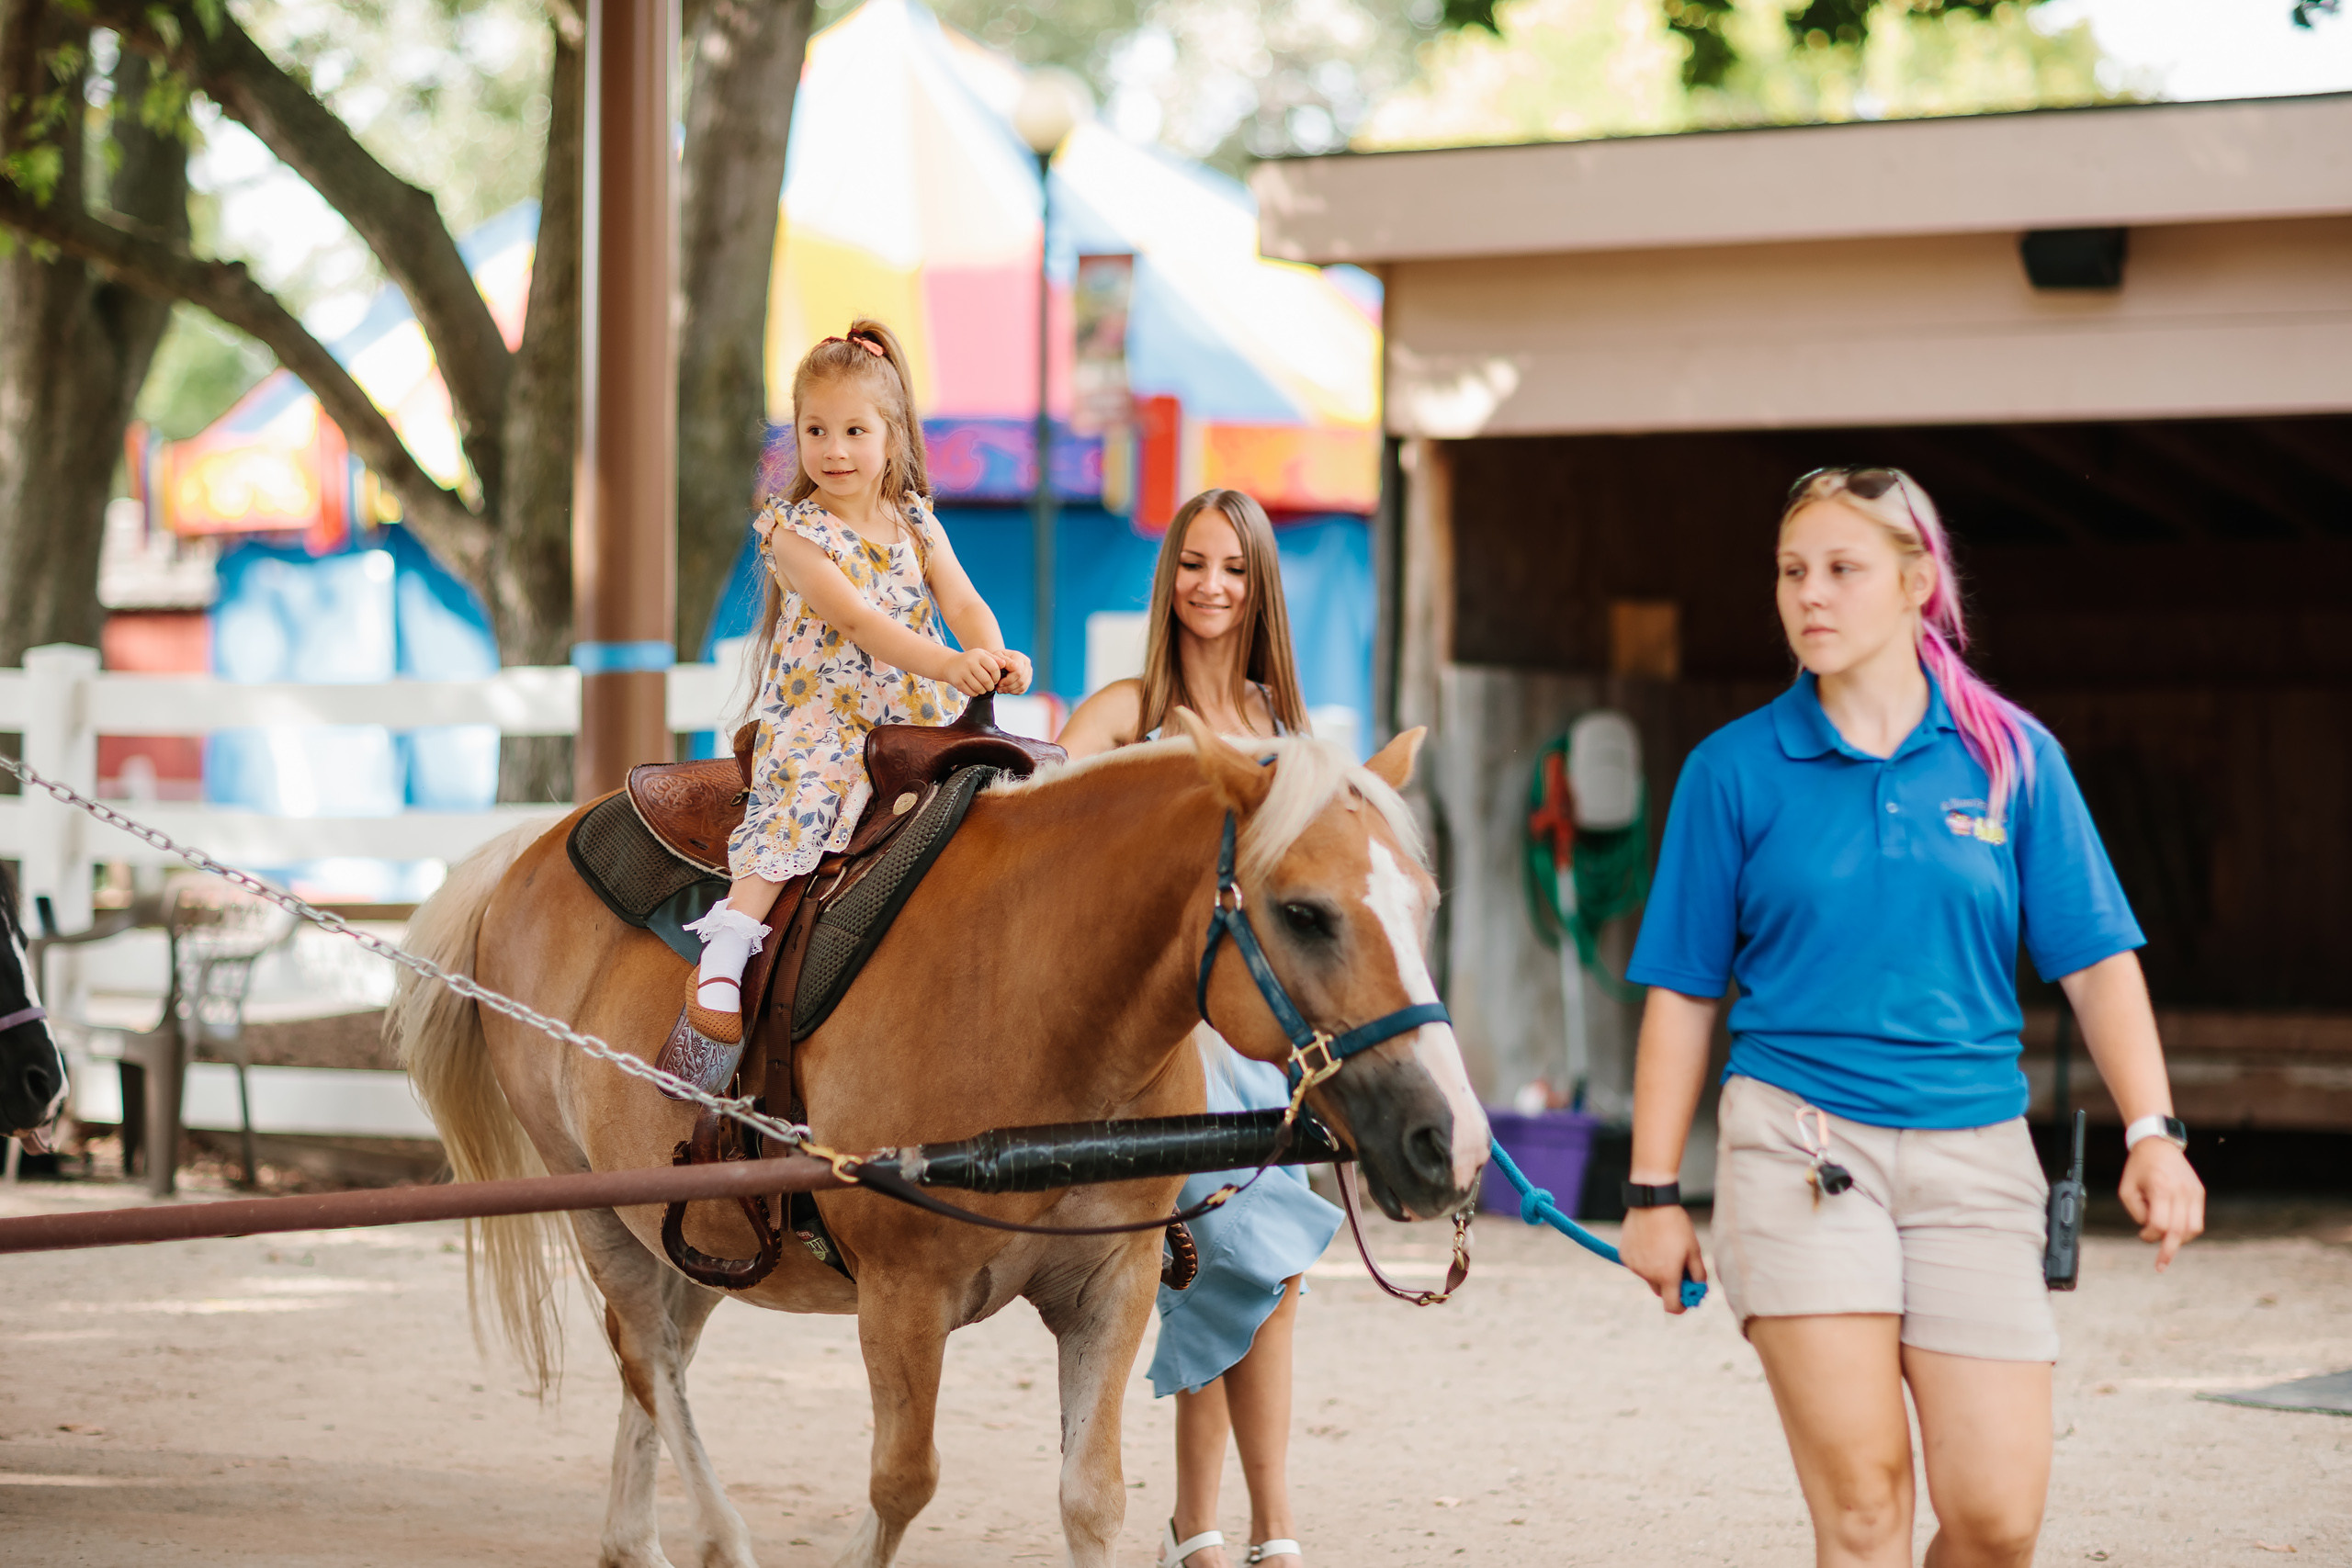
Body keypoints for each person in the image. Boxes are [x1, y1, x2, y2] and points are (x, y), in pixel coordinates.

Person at [1618, 467, 2206, 1568]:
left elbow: (2095, 963)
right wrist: (1653, 1192)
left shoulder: (2012, 760)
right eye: (1793, 572)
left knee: (1994, 1522)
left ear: (1914, 583)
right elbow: (1684, 991)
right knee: (1863, 1514)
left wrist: (2152, 1132)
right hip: (1798, 1147)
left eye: (1842, 569)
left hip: (1977, 1158)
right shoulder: (1732, 770)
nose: (1810, 596)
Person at [1059, 489, 1335, 1568]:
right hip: (1157, 1046)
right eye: (1191, 564)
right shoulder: (1126, 713)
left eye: (1231, 568)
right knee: (1227, 1246)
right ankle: (1206, 1520)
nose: (1210, 586)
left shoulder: (1281, 731)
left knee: (1270, 1268)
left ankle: (1257, 1524)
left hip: (1260, 1039)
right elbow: (1043, 806)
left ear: (1258, 586)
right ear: (1169, 577)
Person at [683, 320, 1030, 1044]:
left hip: (913, 706)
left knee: (1004, 783)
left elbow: (963, 602)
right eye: (815, 430)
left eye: (853, 430)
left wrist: (991, 657)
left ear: (892, 439)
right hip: (828, 717)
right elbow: (863, 622)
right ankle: (730, 940)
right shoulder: (794, 532)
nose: (834, 450)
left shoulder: (916, 521)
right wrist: (948, 664)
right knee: (809, 795)